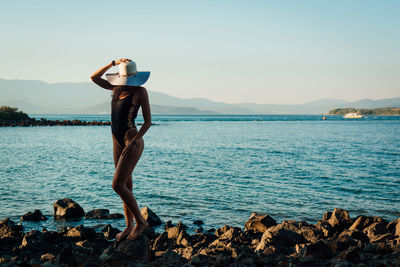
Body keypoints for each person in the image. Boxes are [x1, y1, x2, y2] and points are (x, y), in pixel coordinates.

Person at [91, 58, 151, 241]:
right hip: (116, 140)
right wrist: (112, 63)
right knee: (126, 186)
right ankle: (128, 226)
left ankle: (141, 223)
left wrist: (134, 141)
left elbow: (147, 122)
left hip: (131, 140)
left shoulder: (140, 91)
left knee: (117, 185)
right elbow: (94, 77)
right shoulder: (116, 89)